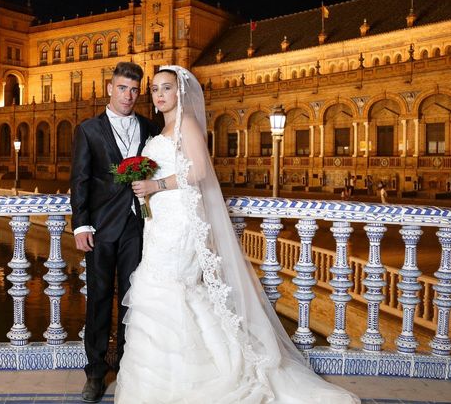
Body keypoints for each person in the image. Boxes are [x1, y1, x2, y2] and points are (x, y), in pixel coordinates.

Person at [117, 66, 359, 404]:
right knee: (160, 289)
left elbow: (199, 171)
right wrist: (145, 191)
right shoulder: (163, 128)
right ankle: (165, 382)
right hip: (160, 221)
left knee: (169, 287)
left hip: (181, 222)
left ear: (179, 93)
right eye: (155, 89)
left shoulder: (185, 123)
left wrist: (156, 185)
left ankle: (198, 379)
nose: (159, 95)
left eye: (166, 88)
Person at [70, 61, 159, 403]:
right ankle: (94, 373)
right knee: (99, 299)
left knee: (132, 300)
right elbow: (79, 180)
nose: (128, 95)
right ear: (109, 88)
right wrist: (80, 224)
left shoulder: (149, 127)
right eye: (122, 88)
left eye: (134, 90)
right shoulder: (89, 130)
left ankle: (125, 365)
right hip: (101, 228)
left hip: (138, 226)